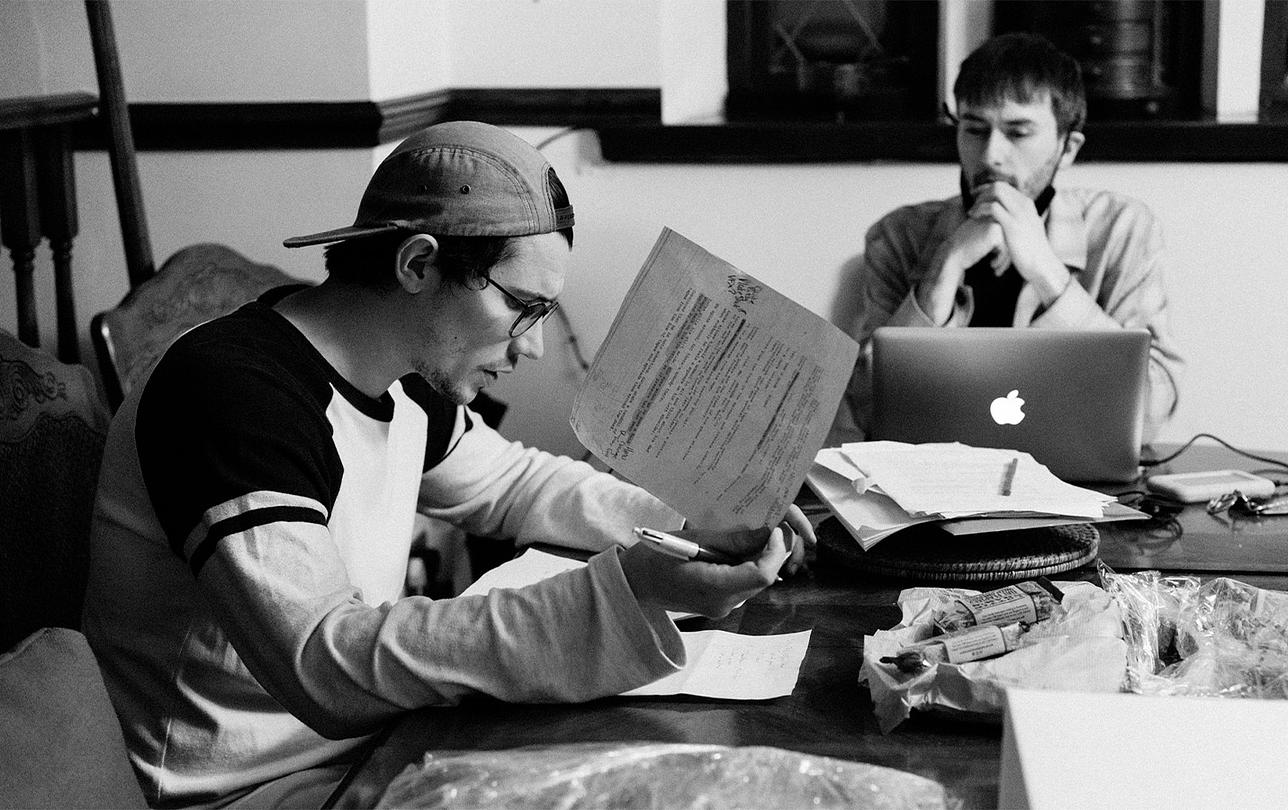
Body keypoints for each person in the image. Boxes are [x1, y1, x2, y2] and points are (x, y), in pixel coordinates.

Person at [83, 121, 815, 809]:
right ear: (418, 264)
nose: (531, 347)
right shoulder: (231, 391)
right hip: (249, 793)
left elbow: (511, 484)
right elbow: (320, 662)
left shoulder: (401, 374)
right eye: (522, 307)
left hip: (377, 751)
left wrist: (692, 520)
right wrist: (630, 594)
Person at [830, 32, 1182, 446]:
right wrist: (943, 271)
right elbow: (864, 415)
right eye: (975, 129)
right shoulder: (898, 236)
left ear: (1067, 149)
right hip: (934, 489)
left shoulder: (1122, 229)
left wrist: (1046, 271)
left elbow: (1152, 412)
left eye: (1018, 133)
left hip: (1079, 488)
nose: (991, 155)